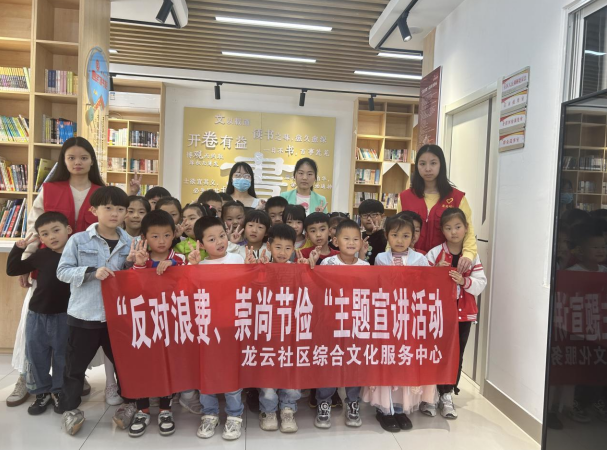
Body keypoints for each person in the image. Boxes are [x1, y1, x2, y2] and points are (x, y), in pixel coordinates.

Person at [7, 137, 104, 408]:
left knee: (74, 329)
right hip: (47, 268)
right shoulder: (49, 189)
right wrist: (27, 260)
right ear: (64, 161)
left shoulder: (101, 192)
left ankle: (73, 375)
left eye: (83, 157)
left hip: (84, 272)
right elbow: (34, 227)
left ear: (92, 161)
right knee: (32, 327)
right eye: (71, 157)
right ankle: (26, 376)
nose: (77, 162)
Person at [56, 186, 137, 435]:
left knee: (126, 364)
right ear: (94, 210)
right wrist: (91, 272)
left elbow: (133, 279)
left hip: (118, 317)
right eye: (108, 208)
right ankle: (70, 409)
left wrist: (132, 264)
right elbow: (62, 271)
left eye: (120, 209)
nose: (114, 213)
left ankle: (129, 404)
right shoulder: (78, 240)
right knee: (75, 367)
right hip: (85, 314)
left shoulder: (130, 243)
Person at [362, 216, 434, 432]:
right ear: (387, 236)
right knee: (387, 359)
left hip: (410, 318)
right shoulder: (381, 258)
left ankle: (401, 407)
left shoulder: (420, 259)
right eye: (395, 235)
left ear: (413, 238)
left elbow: (426, 287)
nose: (400, 240)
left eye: (405, 236)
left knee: (405, 358)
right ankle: (384, 409)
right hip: (386, 317)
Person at [6, 212, 72, 416]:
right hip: (37, 316)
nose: (52, 236)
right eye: (45, 234)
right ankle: (41, 392)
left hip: (64, 316)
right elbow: (13, 269)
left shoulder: (75, 255)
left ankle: (58, 391)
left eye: (56, 230)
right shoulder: (41, 255)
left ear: (68, 230)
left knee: (62, 356)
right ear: (40, 238)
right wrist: (18, 248)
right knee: (36, 356)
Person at [128, 210, 186, 438]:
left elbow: (187, 270)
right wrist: (140, 265)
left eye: (166, 235)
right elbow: (131, 285)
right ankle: (142, 410)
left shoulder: (178, 257)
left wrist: (171, 263)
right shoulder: (140, 257)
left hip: (170, 321)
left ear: (174, 235)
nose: (161, 241)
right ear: (144, 237)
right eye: (155, 236)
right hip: (145, 321)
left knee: (167, 364)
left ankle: (165, 409)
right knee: (142, 364)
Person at [426, 208, 487, 419]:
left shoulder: (471, 257)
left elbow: (481, 284)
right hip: (438, 314)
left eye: (458, 227)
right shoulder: (435, 253)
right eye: (448, 228)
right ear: (442, 231)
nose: (453, 232)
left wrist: (464, 281)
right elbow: (420, 281)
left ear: (466, 228)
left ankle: (447, 394)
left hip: (463, 315)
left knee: (456, 355)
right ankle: (430, 395)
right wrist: (435, 270)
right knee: (435, 352)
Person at [187, 216, 245, 441]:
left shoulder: (237, 259)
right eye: (211, 239)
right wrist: (191, 268)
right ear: (201, 244)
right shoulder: (198, 266)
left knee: (231, 372)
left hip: (232, 327)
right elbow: (186, 292)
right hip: (207, 328)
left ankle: (234, 415)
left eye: (222, 235)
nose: (219, 241)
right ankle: (209, 413)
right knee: (206, 372)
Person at [315, 219, 368, 429]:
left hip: (355, 324)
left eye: (356, 239)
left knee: (354, 364)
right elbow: (320, 290)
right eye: (346, 238)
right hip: (331, 324)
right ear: (336, 241)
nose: (351, 243)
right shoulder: (327, 263)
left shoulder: (365, 266)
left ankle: (353, 402)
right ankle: (324, 403)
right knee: (330, 363)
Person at [398, 144, 477, 274]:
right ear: (417, 167)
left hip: (446, 264)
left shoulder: (457, 198)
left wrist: (468, 254)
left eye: (433, 163)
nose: (428, 169)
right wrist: (389, 254)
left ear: (441, 165)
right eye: (422, 164)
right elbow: (396, 229)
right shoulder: (405, 197)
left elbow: (468, 230)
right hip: (412, 263)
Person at [358, 199, 387, 265]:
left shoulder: (387, 236)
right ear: (360, 217)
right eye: (365, 215)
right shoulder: (358, 236)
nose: (369, 218)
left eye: (373, 215)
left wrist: (378, 234)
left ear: (382, 216)